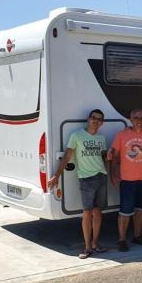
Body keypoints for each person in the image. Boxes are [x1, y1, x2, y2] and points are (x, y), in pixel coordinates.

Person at [47, 109, 109, 259]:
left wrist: (109, 156)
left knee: (98, 212)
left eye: (99, 119)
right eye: (93, 118)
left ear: (101, 123)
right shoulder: (77, 136)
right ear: (88, 119)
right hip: (86, 179)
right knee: (87, 213)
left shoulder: (101, 138)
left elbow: (103, 157)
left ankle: (95, 243)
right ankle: (87, 247)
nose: (95, 121)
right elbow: (67, 156)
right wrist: (56, 175)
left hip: (101, 177)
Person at [110, 109, 142, 252]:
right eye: (136, 117)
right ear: (130, 119)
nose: (139, 120)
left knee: (140, 210)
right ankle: (122, 239)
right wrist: (113, 174)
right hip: (127, 180)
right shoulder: (121, 135)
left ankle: (137, 236)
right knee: (125, 212)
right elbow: (114, 155)